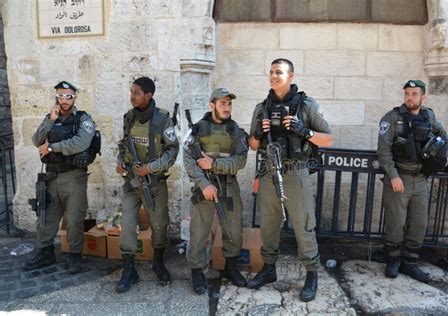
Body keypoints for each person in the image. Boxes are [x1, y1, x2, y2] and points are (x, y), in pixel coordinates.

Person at [247, 59, 333, 302]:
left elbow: (328, 139)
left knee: (304, 225)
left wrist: (304, 131)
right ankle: (269, 269)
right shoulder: (262, 108)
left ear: (291, 75)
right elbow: (253, 146)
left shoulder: (306, 106)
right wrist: (258, 133)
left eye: (279, 72)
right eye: (271, 72)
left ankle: (312, 274)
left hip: (297, 172)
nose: (274, 76)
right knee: (269, 224)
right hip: (269, 172)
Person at [377, 79, 448, 282]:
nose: (409, 97)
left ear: (423, 97)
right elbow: (383, 151)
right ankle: (392, 260)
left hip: (421, 179)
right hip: (399, 179)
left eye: (414, 94)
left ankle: (410, 263)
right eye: (407, 94)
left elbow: (443, 137)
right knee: (396, 222)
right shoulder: (392, 118)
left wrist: (447, 155)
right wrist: (393, 176)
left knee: (419, 223)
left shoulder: (429, 116)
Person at [115, 77, 179, 292]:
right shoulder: (129, 118)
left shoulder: (163, 120)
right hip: (132, 183)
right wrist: (121, 163)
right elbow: (124, 145)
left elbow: (172, 151)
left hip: (154, 184)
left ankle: (158, 262)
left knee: (159, 225)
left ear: (149, 95)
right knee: (127, 225)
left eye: (136, 92)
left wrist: (151, 168)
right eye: (131, 92)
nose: (132, 96)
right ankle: (129, 268)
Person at [25, 81, 96, 274]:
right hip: (51, 176)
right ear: (56, 97)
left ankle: (75, 256)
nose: (64, 100)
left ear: (75, 97)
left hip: (73, 176)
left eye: (68, 96)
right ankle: (45, 252)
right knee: (46, 217)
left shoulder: (83, 119)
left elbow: (81, 143)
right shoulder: (50, 118)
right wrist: (50, 119)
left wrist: (51, 147)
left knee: (74, 219)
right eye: (60, 96)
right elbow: (36, 140)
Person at [183, 88, 249, 294]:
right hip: (204, 188)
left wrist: (214, 164)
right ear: (212, 105)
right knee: (199, 231)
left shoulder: (235, 130)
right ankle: (196, 271)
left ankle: (230, 266)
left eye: (229, 104)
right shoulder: (198, 129)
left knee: (233, 228)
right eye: (222, 104)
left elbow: (240, 161)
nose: (227, 108)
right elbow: (188, 160)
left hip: (228, 185)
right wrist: (205, 185)